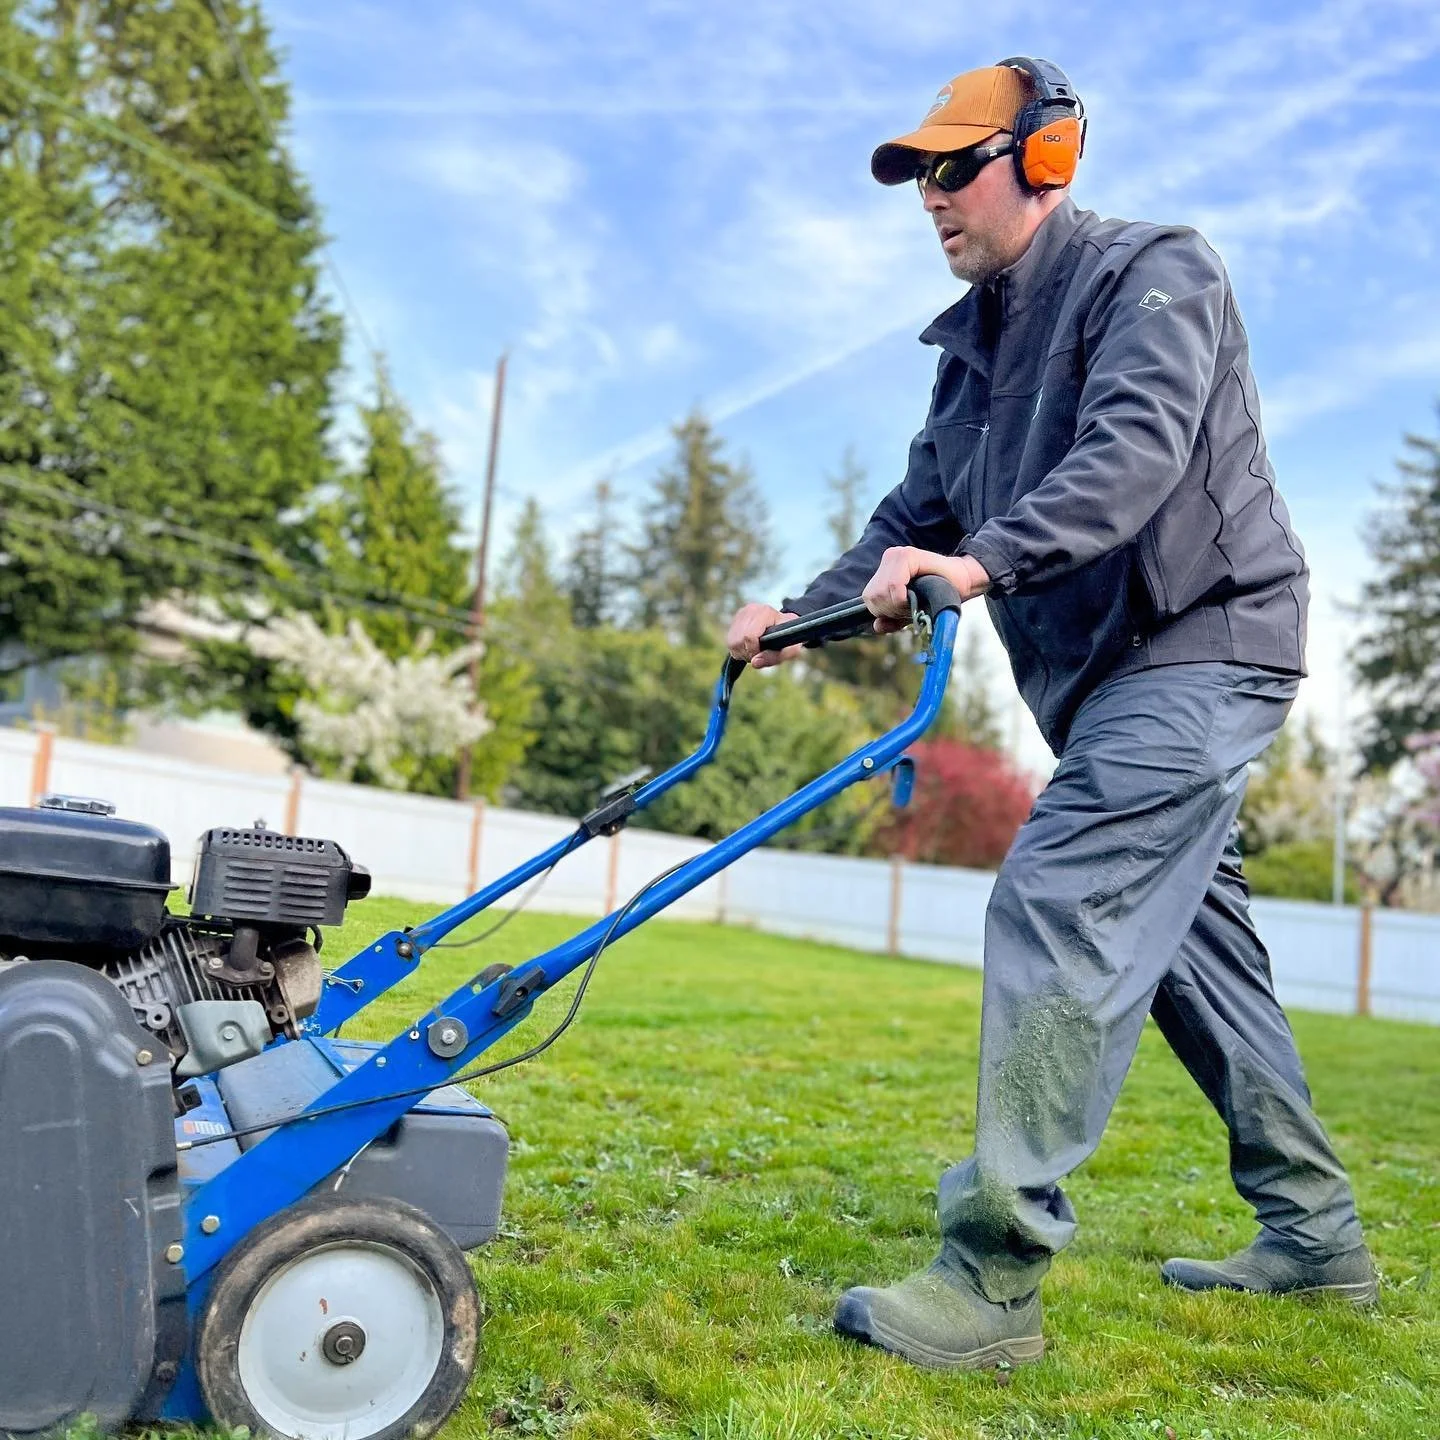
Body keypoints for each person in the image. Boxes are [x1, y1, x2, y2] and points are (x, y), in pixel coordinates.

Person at [725, 57, 1376, 1372]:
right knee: (1205, 965)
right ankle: (1316, 1234)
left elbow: (1130, 458)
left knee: (1060, 894)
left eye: (954, 167)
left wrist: (975, 568)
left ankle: (992, 1277)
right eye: (918, 175)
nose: (929, 197)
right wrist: (792, 618)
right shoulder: (967, 364)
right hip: (1106, 690)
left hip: (1207, 640)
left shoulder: (1155, 272)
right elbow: (908, 526)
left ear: (1049, 158)